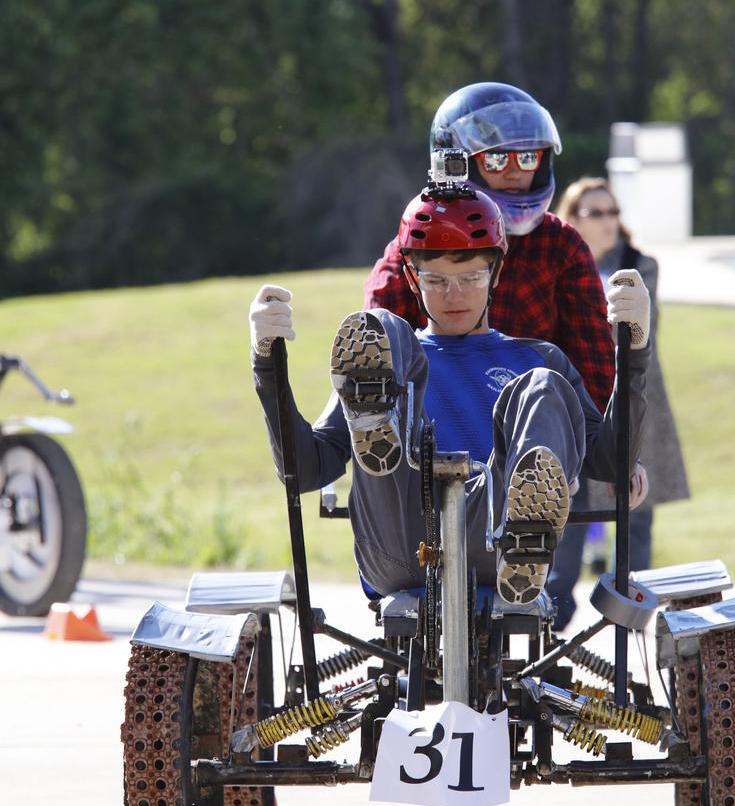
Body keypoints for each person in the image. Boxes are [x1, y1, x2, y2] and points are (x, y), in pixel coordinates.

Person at [249, 186, 651, 611]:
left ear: (495, 274)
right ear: (411, 278)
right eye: (436, 280)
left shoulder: (539, 358)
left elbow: (609, 462)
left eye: (471, 278)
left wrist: (634, 350)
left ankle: (526, 532)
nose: (453, 295)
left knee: (543, 385)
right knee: (385, 328)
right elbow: (306, 470)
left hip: (500, 541)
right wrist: (267, 362)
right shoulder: (388, 362)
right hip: (400, 541)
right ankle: (378, 433)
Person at [364, 82, 616, 414]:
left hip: (536, 429)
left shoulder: (561, 245)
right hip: (436, 425)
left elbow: (594, 374)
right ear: (457, 161)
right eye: (496, 159)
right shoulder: (417, 240)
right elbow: (375, 348)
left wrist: (593, 451)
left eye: (527, 157)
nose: (514, 172)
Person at [554, 176, 690, 585]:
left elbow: (639, 336)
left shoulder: (640, 265)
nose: (609, 220)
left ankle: (629, 612)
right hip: (580, 399)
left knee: (636, 516)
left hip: (634, 397)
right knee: (570, 514)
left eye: (613, 211)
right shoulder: (560, 264)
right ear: (573, 218)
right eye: (597, 212)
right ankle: (558, 615)